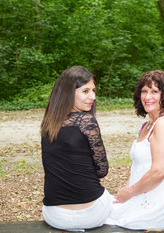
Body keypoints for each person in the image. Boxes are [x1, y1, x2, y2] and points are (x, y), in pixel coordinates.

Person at [106, 70, 164, 230]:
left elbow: (159, 172)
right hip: (144, 191)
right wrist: (126, 191)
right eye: (144, 91)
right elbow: (138, 167)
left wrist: (129, 193)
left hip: (162, 198)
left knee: (105, 216)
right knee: (103, 207)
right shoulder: (148, 124)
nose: (147, 97)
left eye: (154, 91)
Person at [40, 66, 111, 232]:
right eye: (85, 91)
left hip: (54, 215)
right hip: (91, 214)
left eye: (93, 90)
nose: (92, 96)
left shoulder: (48, 124)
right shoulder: (87, 121)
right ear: (67, 93)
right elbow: (102, 171)